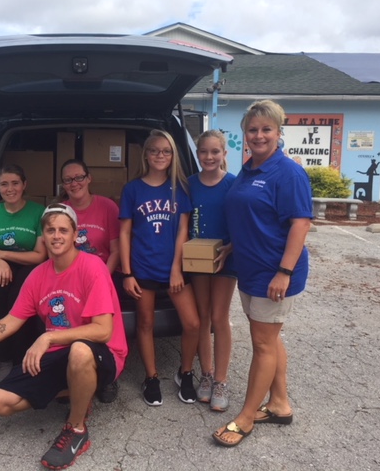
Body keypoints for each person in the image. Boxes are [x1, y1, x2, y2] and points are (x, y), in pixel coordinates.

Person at [0, 204, 128, 470]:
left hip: (101, 353)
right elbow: (9, 322)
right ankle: (81, 389)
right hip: (62, 355)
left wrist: (47, 339)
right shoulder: (38, 276)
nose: (56, 236)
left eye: (63, 230)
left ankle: (77, 429)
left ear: (74, 235)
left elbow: (103, 330)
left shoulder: (92, 267)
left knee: (80, 351)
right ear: (43, 235)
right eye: (50, 230)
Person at [212, 100, 312, 447]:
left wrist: (284, 272)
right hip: (250, 269)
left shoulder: (289, 172)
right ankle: (280, 405)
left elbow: (300, 224)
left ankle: (246, 417)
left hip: (275, 274)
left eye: (266, 129)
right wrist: (233, 247)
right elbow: (255, 218)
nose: (258, 135)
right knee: (268, 339)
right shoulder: (250, 168)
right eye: (252, 129)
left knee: (262, 343)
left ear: (279, 132)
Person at [119, 129, 200, 406]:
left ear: (173, 155)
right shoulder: (132, 189)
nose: (160, 155)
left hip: (173, 270)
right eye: (154, 150)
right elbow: (124, 234)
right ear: (146, 154)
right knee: (145, 323)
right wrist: (127, 273)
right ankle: (151, 377)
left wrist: (176, 269)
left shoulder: (179, 188)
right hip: (143, 269)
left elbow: (182, 232)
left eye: (166, 151)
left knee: (193, 323)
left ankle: (185, 372)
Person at [60, 158, 121, 403]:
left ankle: (107, 376)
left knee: (104, 327)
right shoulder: (61, 211)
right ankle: (71, 374)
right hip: (71, 281)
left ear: (89, 178)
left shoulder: (107, 207)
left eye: (79, 177)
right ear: (63, 184)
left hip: (104, 275)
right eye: (68, 179)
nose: (74, 183)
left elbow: (116, 250)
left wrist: (101, 280)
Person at [188, 130, 237, 412]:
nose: (209, 157)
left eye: (214, 152)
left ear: (224, 154)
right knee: (203, 316)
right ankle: (205, 374)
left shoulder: (233, 184)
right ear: (197, 154)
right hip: (197, 260)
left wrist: (230, 248)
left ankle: (221, 380)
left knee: (220, 317)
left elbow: (242, 222)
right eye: (203, 152)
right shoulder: (189, 184)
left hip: (225, 258)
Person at [0, 164, 47, 365]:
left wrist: (1, 253)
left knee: (21, 294)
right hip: (1, 268)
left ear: (24, 185)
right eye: (4, 184)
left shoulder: (38, 211)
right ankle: (3, 356)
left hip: (29, 267)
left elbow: (39, 256)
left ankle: (22, 357)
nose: (10, 189)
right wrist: (0, 262)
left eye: (15, 183)